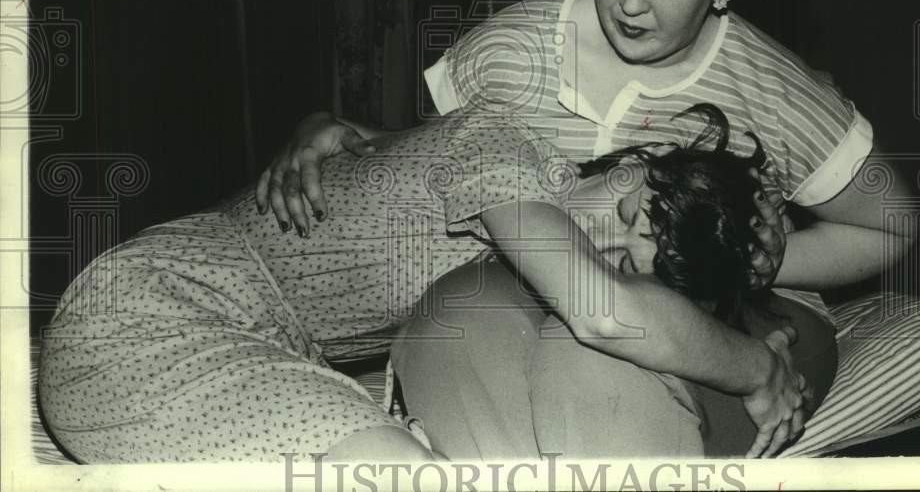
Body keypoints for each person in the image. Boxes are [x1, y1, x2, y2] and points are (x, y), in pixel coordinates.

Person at [258, 0, 914, 456]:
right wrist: (346, 134)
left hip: (740, 311)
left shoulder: (772, 87)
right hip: (545, 290)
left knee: (601, 384)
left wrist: (751, 260)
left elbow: (891, 224)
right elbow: (460, 170)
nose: (631, 4)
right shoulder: (507, 51)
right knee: (454, 327)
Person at [37, 106, 824, 462]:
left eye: (624, 256)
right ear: (627, 163)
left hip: (248, 348)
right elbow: (606, 315)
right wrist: (758, 370)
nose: (597, 241)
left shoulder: (513, 212)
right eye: (625, 210)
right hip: (147, 314)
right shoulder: (508, 152)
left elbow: (384, 167)